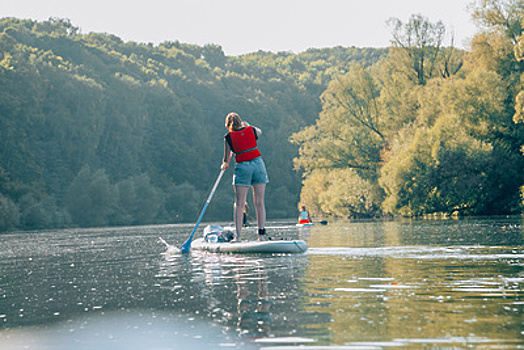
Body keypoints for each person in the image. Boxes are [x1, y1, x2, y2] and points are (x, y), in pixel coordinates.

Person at [221, 112, 269, 241]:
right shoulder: (251, 129)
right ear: (240, 121)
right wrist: (247, 125)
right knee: (259, 202)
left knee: (240, 203)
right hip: (258, 164)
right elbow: (260, 131)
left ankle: (238, 237)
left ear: (228, 125)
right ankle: (261, 235)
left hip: (243, 167)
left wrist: (224, 164)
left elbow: (226, 159)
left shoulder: (228, 137)